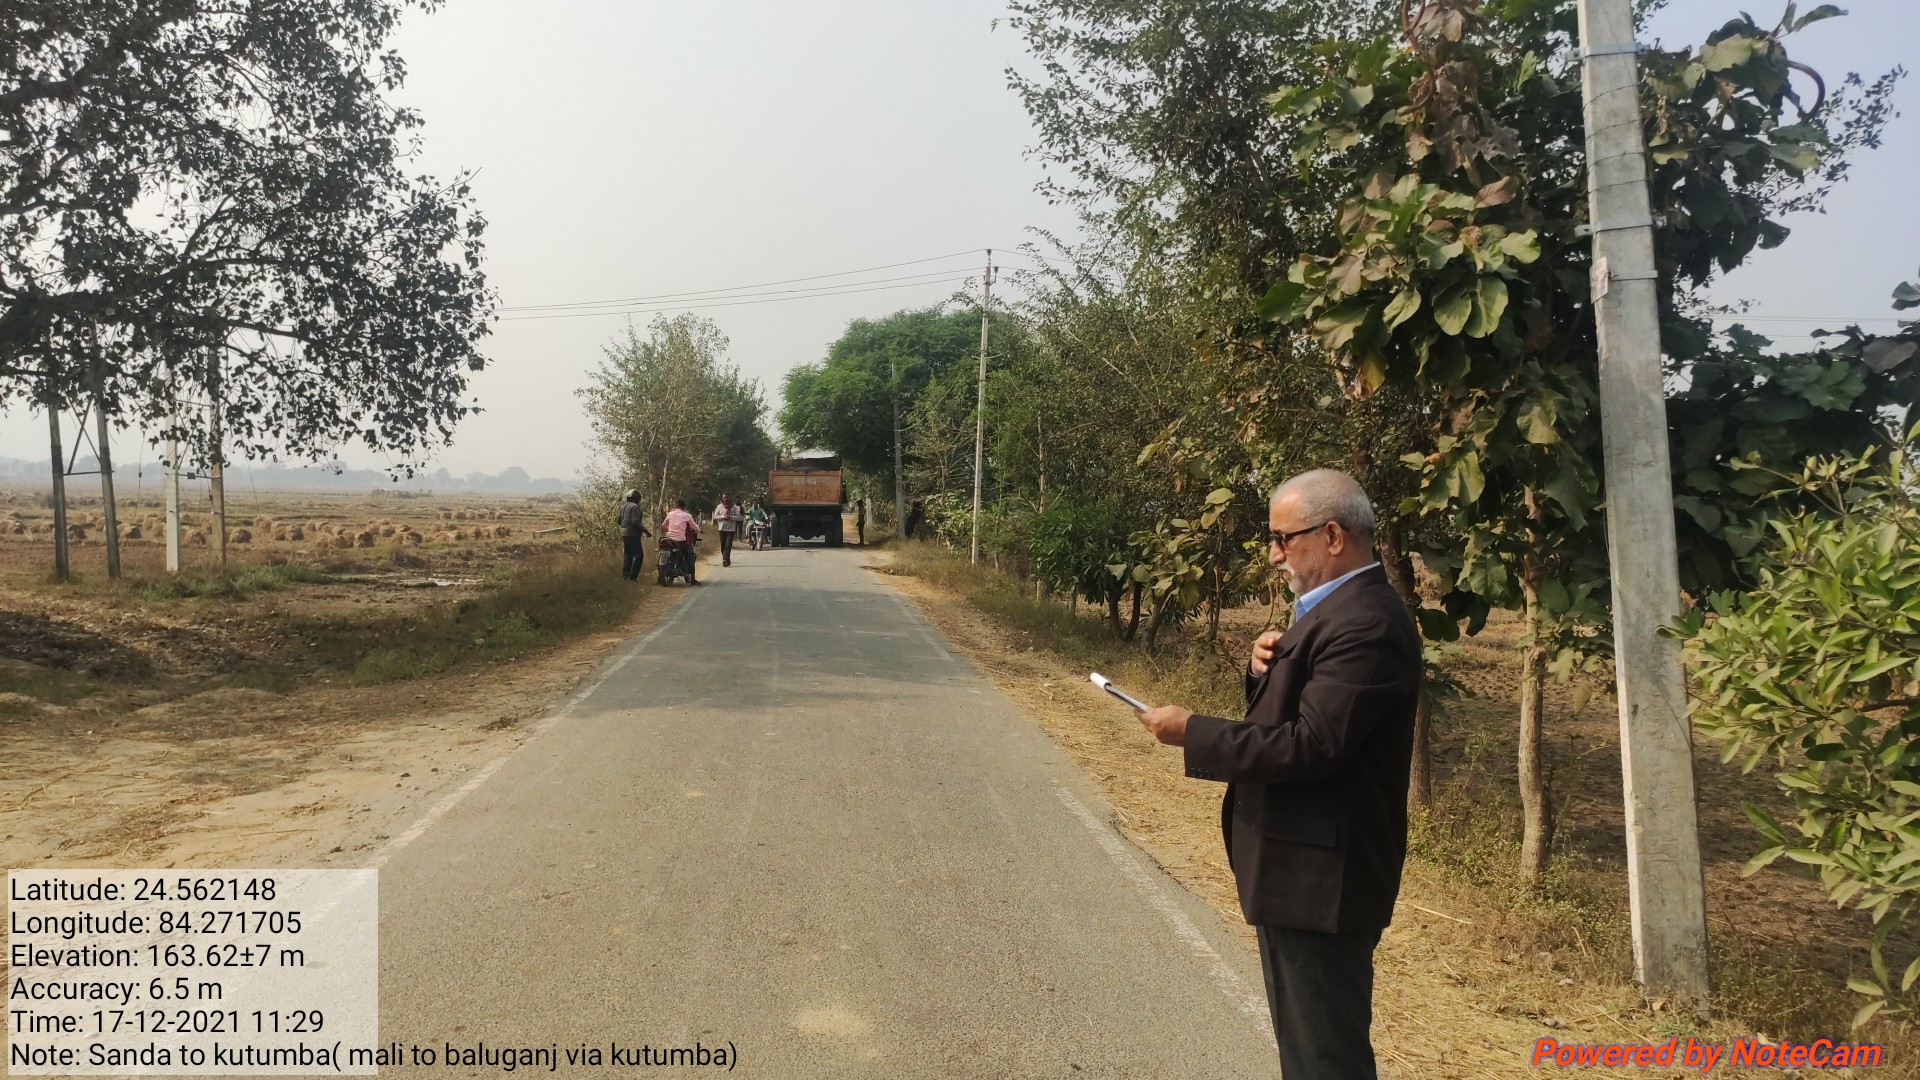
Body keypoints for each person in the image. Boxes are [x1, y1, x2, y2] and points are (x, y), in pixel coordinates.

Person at [1133, 469, 1420, 1080]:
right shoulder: (1333, 613)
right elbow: (1306, 716)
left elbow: (1312, 746)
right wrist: (1265, 670)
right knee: (1307, 1049)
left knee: (1325, 1059)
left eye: (1282, 539)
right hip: (1300, 874)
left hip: (1322, 884)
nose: (1273, 555)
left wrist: (1194, 731)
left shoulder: (1365, 622)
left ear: (1333, 536)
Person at [661, 498, 701, 584]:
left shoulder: (670, 514)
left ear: (676, 506)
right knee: (689, 556)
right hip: (680, 540)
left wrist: (668, 531)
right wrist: (698, 531)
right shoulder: (687, 515)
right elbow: (695, 527)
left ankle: (659, 578)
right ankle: (693, 580)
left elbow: (663, 525)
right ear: (684, 507)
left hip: (668, 539)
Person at [616, 489, 650, 581]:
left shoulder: (623, 506)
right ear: (637, 498)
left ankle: (625, 576)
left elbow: (618, 520)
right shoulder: (635, 507)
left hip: (624, 533)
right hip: (633, 534)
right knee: (638, 555)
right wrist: (646, 531)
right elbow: (635, 522)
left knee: (628, 555)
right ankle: (632, 578)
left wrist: (625, 526)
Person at [711, 493, 738, 567]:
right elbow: (715, 516)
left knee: (728, 545)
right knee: (723, 545)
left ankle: (725, 560)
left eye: (727, 497)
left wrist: (731, 517)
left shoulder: (734, 507)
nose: (726, 499)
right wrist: (723, 517)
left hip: (731, 529)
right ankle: (726, 559)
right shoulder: (719, 506)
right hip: (722, 528)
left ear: (730, 498)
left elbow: (738, 517)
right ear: (722, 498)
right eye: (724, 497)